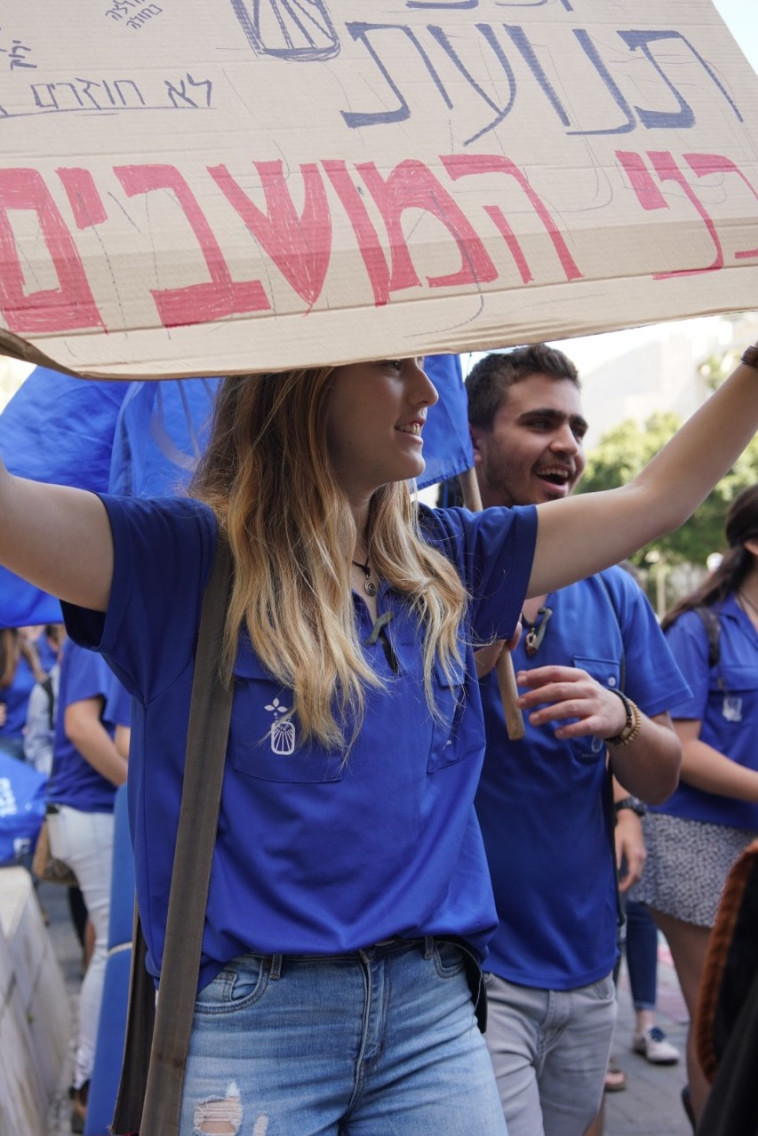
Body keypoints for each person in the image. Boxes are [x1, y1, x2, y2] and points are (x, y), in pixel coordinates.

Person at [0, 352, 757, 1134]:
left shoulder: (455, 556)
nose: (430, 392)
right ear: (301, 381)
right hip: (251, 1026)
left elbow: (659, 499)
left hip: (431, 1019)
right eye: (395, 366)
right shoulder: (185, 559)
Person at [465, 345, 689, 1136]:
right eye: (540, 421)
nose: (569, 443)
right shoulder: (418, 571)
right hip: (468, 972)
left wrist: (619, 716)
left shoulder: (614, 589)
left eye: (577, 424)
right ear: (474, 441)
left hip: (590, 962)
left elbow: (664, 775)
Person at [632, 482, 758, 1129]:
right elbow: (681, 748)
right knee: (718, 1023)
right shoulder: (697, 626)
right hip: (694, 840)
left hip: (753, 847)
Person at [45, 637, 131, 1128]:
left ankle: (92, 1079)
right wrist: (138, 787)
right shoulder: (91, 631)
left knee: (104, 943)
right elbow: (81, 726)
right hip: (92, 808)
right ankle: (88, 1083)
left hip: (92, 807)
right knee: (109, 949)